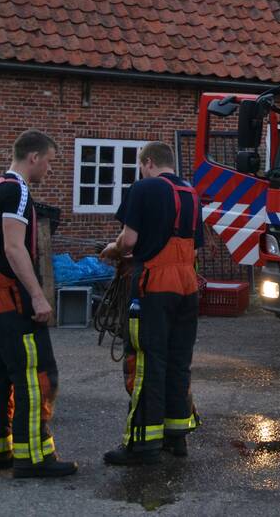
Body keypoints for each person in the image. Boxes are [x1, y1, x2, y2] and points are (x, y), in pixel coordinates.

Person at [0, 130, 78, 478]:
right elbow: (14, 247)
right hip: (11, 298)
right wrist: (37, 295)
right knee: (36, 374)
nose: (48, 169)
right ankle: (34, 457)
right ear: (33, 157)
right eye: (48, 161)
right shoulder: (18, 190)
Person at [100, 141, 203, 465]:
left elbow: (129, 240)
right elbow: (196, 248)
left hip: (154, 286)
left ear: (147, 162)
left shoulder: (143, 188)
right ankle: (176, 437)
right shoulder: (191, 194)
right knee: (177, 360)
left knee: (147, 361)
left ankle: (142, 444)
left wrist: (114, 249)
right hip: (187, 287)